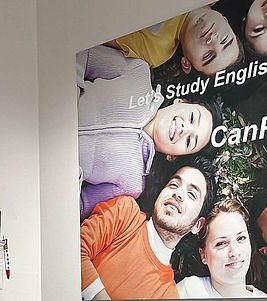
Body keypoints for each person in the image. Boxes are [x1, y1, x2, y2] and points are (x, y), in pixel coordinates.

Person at [77, 44, 217, 219]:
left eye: (190, 141)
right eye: (192, 117)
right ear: (180, 101)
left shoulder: (132, 184)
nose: (184, 129)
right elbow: (84, 56)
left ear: (173, 156)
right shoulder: (137, 74)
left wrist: (71, 171)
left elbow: (80, 205)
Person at [80, 161, 215, 300]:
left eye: (191, 194)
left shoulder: (167, 295)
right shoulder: (125, 212)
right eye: (174, 184)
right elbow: (74, 249)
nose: (178, 193)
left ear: (197, 225)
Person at [176, 199, 267, 298]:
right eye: (221, 243)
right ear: (203, 255)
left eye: (241, 238)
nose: (234, 252)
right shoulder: (189, 291)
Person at [111, 6, 243, 75]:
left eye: (208, 55)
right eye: (225, 40)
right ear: (225, 21)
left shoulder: (153, 50)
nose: (212, 40)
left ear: (186, 63)